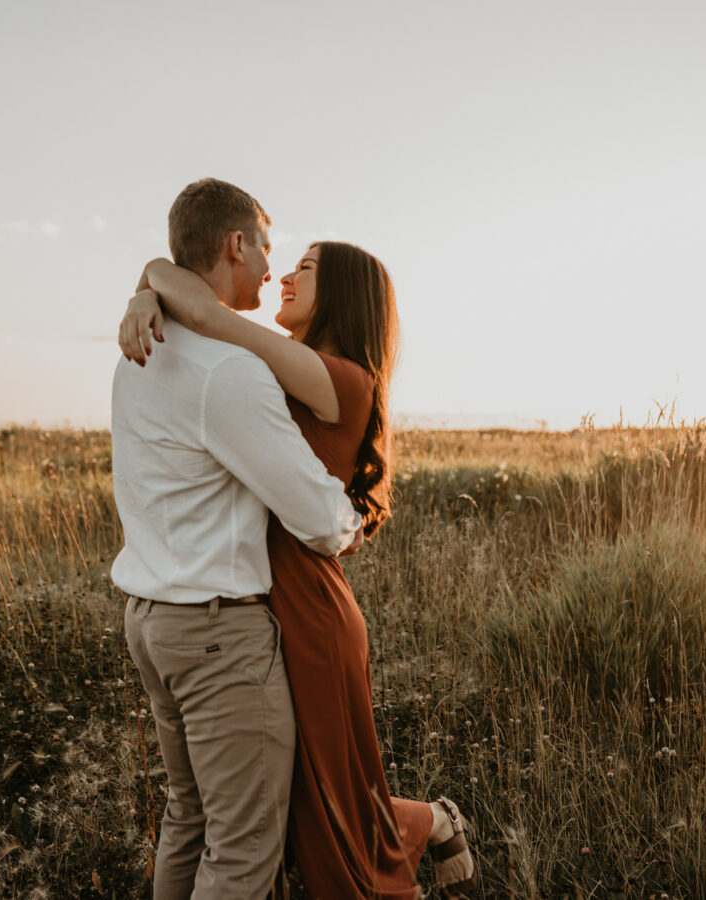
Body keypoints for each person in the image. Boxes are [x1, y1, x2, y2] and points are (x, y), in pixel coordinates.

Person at [120, 236, 479, 897]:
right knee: (301, 798)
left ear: (341, 293)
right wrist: (148, 288)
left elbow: (206, 314)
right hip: (269, 596)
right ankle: (429, 822)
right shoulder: (283, 364)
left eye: (305, 269)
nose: (284, 275)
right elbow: (196, 303)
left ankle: (422, 832)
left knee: (322, 806)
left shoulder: (340, 376)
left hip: (306, 606)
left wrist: (149, 287)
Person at [110, 178, 367, 898]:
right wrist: (350, 523)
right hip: (217, 634)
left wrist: (146, 288)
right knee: (243, 850)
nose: (270, 267)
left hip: (153, 622)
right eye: (265, 248)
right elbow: (320, 522)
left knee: (188, 819)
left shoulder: (143, 350)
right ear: (236, 244)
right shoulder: (229, 371)